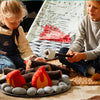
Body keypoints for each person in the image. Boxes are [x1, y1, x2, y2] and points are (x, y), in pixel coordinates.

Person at [0, 1, 45, 74]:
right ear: (2, 17)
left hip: (14, 55)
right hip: (1, 57)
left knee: (30, 64)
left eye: (19, 21)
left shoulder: (18, 29)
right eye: (13, 22)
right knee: (9, 66)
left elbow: (25, 48)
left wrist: (33, 58)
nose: (16, 24)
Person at [58, 1, 100, 76]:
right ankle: (90, 70)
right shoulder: (84, 21)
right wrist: (71, 51)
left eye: (95, 7)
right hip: (87, 56)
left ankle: (86, 69)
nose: (90, 10)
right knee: (62, 53)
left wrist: (83, 55)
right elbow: (79, 41)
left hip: (97, 56)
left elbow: (98, 51)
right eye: (89, 5)